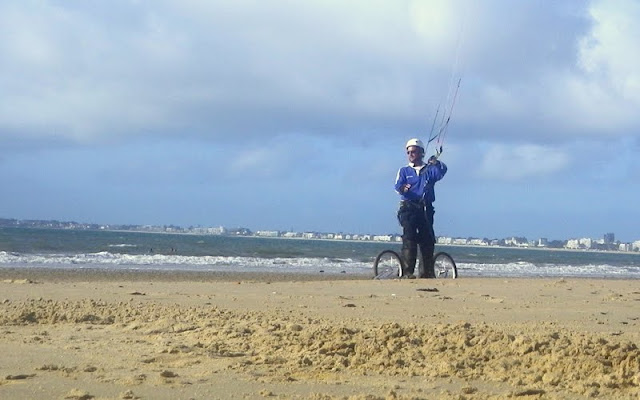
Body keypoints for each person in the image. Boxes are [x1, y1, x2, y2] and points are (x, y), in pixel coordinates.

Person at [394, 138, 447, 278]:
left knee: (427, 240)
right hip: (408, 208)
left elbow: (442, 171)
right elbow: (397, 187)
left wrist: (436, 162)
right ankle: (407, 272)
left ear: (421, 153)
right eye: (408, 152)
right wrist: (403, 188)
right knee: (409, 237)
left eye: (414, 151)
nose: (411, 154)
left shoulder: (429, 170)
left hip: (425, 208)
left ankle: (426, 273)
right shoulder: (404, 170)